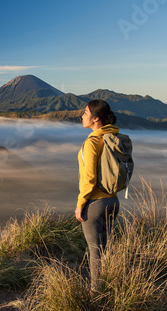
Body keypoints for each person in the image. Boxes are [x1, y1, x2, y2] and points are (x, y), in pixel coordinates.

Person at [75, 99, 120, 291]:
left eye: (85, 113)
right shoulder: (112, 137)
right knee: (104, 247)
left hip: (95, 203)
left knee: (95, 251)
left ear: (95, 118)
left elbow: (90, 178)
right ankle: (109, 284)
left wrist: (80, 203)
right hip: (113, 200)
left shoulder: (93, 141)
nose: (82, 116)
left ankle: (96, 293)